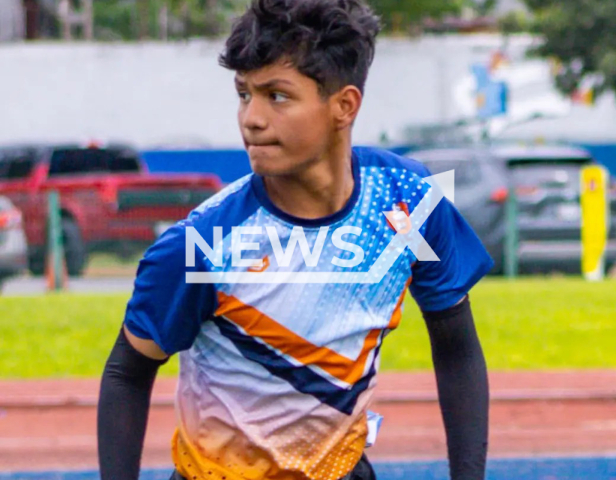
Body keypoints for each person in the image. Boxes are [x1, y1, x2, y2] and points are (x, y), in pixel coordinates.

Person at [97, 1, 493, 479]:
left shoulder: (409, 202)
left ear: (344, 106)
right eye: (244, 95)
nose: (251, 119)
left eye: (276, 96)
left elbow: (457, 347)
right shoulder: (204, 243)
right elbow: (127, 373)